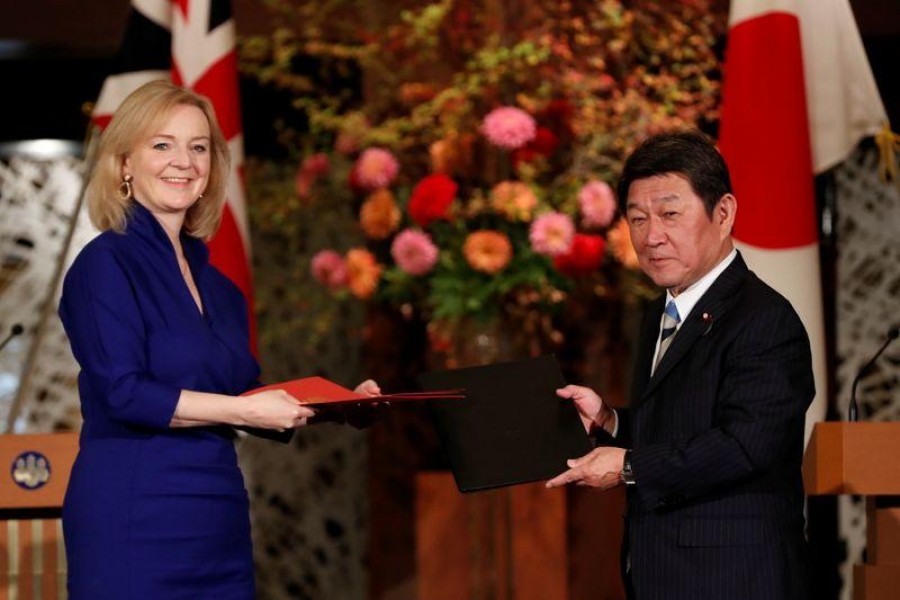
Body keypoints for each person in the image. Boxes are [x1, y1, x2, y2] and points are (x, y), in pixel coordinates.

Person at [59, 79, 379, 599]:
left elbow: (243, 394)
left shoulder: (220, 287)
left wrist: (338, 405)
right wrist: (246, 412)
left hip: (216, 511)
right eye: (162, 144)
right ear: (124, 164)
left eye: (198, 146)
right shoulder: (104, 264)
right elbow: (124, 392)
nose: (183, 161)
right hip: (134, 510)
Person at [546, 130, 814, 599]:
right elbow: (680, 430)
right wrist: (610, 420)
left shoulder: (766, 319)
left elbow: (744, 445)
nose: (652, 236)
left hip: (735, 578)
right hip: (663, 572)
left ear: (724, 213)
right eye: (637, 218)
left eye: (670, 214)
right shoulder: (659, 312)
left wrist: (628, 466)